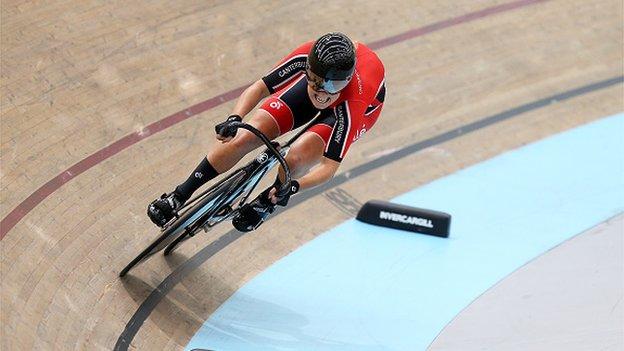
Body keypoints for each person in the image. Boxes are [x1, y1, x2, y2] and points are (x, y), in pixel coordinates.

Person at [148, 32, 386, 232]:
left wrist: (293, 187)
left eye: (331, 86)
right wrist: (235, 118)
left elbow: (329, 167)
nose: (321, 92)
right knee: (246, 134)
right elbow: (260, 88)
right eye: (314, 80)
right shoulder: (306, 56)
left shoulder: (354, 102)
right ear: (309, 67)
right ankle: (179, 195)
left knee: (296, 157)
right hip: (329, 88)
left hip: (357, 111)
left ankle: (266, 202)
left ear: (346, 81)